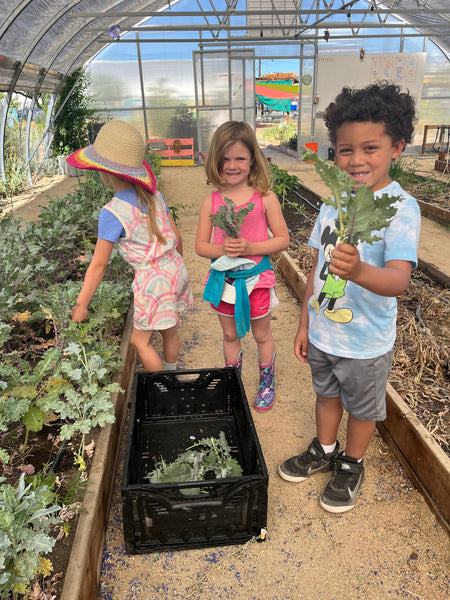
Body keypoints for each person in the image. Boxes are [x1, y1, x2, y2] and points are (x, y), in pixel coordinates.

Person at [278, 82, 421, 512]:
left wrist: (358, 270)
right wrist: (305, 322)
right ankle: (324, 450)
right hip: (324, 332)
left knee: (362, 408)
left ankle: (351, 462)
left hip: (365, 343)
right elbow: (317, 269)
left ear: (396, 147)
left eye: (370, 148)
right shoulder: (332, 204)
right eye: (344, 150)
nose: (356, 160)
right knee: (326, 395)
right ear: (334, 152)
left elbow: (399, 281)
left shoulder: (401, 208)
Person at [67, 119, 193, 372]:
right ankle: (172, 375)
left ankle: (165, 388)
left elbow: (99, 264)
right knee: (169, 330)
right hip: (174, 268)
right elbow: (176, 237)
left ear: (103, 170)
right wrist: (175, 269)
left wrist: (81, 305)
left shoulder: (113, 213)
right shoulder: (155, 196)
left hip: (152, 281)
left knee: (139, 340)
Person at [195, 121, 290, 411]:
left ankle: (266, 380)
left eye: (240, 158)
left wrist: (251, 248)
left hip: (256, 279)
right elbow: (201, 246)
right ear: (214, 161)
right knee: (229, 334)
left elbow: (283, 239)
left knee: (262, 334)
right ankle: (232, 383)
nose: (232, 165)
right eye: (225, 158)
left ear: (253, 161)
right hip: (225, 282)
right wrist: (223, 248)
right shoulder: (210, 202)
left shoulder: (265, 198)